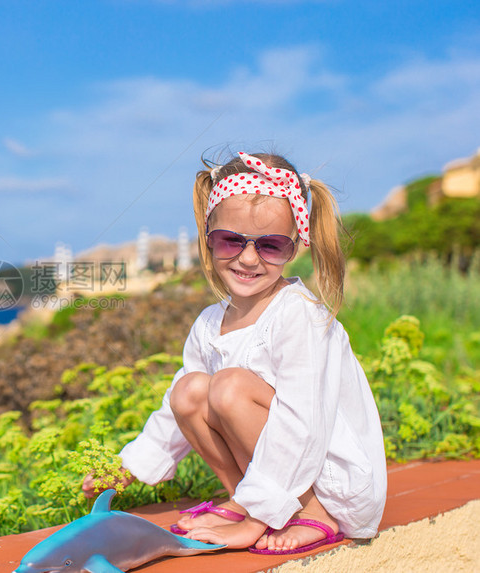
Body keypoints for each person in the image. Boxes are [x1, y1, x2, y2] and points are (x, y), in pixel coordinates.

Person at [82, 150, 387, 555]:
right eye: (230, 240)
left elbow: (302, 425)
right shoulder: (210, 323)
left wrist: (259, 520)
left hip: (332, 482)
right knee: (189, 391)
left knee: (228, 388)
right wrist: (129, 466)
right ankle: (247, 502)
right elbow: (177, 413)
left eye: (270, 246)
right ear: (208, 240)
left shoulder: (298, 315)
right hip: (280, 477)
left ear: (294, 247)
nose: (247, 258)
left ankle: (305, 513)